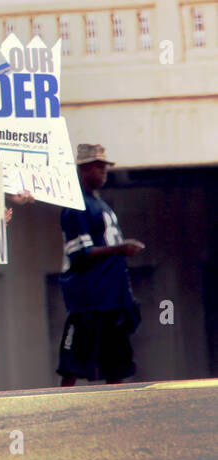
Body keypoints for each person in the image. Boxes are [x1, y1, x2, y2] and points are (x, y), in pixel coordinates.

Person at [57, 144, 143, 385]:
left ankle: (115, 414)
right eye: (98, 168)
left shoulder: (101, 204)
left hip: (112, 298)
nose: (104, 173)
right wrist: (121, 249)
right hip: (89, 298)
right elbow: (81, 253)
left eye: (105, 168)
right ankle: (61, 407)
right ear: (84, 169)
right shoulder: (76, 206)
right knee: (72, 363)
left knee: (117, 364)